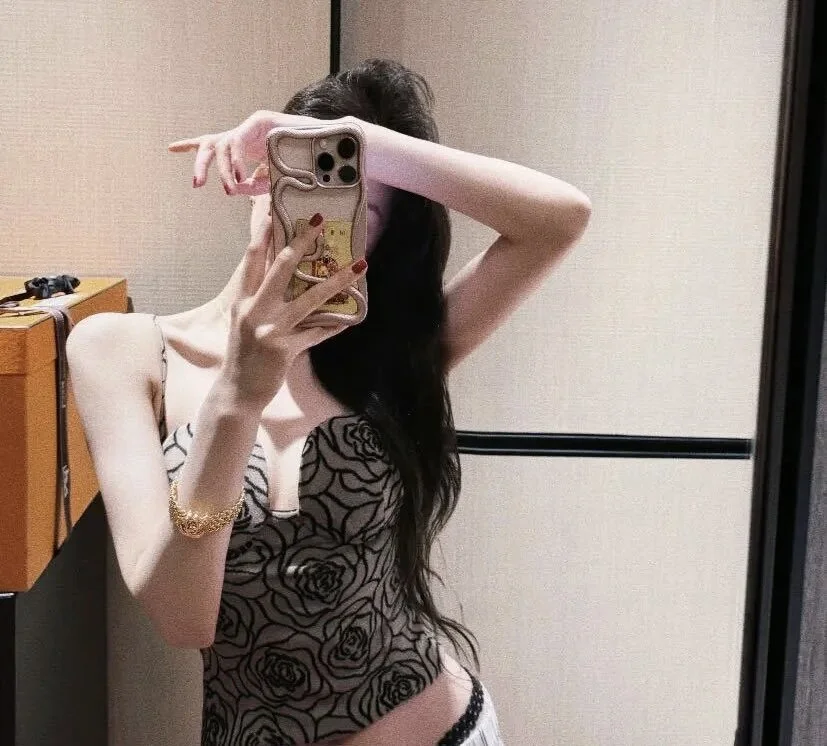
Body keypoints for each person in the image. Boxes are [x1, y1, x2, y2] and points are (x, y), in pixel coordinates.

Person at [67, 59, 591, 746]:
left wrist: (361, 141)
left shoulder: (396, 356)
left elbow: (559, 218)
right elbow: (182, 619)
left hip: (446, 729)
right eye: (303, 176)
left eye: (355, 208)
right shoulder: (121, 351)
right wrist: (237, 398)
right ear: (262, 175)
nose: (318, 216)